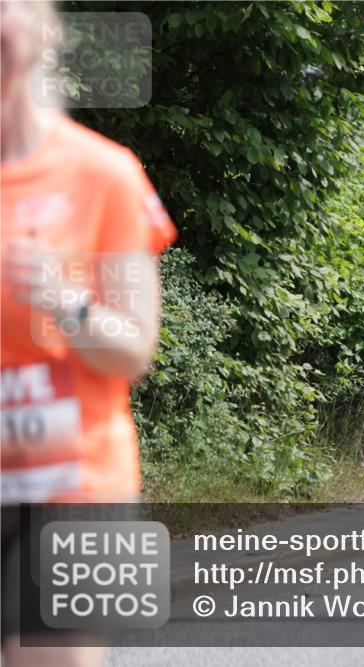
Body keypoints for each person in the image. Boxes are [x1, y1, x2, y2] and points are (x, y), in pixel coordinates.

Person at [1, 1, 176, 664]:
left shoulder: (103, 174)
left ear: (48, 32)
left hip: (74, 480)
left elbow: (135, 346)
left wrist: (63, 298)